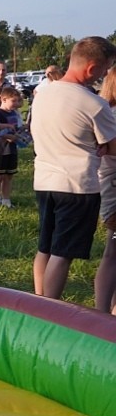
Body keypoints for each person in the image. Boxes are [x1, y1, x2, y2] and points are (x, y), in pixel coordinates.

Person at [30, 36, 116, 300]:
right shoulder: (93, 104)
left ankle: (38, 302)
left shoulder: (43, 94)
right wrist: (101, 146)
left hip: (44, 181)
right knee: (62, 253)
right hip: (77, 186)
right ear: (92, 68)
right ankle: (49, 310)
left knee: (45, 248)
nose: (105, 75)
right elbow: (113, 148)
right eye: (106, 68)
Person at [93, 69, 116, 314]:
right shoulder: (112, 115)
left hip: (108, 189)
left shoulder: (107, 113)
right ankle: (104, 312)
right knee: (113, 252)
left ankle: (106, 311)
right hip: (113, 189)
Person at [0, 85, 24, 208]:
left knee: (9, 175)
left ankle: (6, 200)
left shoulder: (15, 113)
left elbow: (16, 128)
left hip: (12, 148)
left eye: (17, 100)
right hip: (1, 148)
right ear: (3, 99)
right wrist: (8, 137)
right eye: (13, 101)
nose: (16, 104)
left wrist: (22, 131)